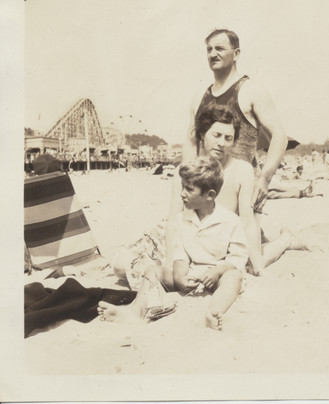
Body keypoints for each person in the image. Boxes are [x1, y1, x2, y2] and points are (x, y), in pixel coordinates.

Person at [98, 156, 248, 331]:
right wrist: (180, 277)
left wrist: (217, 271)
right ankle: (136, 311)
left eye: (189, 189)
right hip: (192, 275)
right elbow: (180, 254)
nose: (182, 193)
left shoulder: (230, 220)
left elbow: (238, 258)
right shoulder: (182, 219)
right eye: (182, 187)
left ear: (210, 195)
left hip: (219, 276)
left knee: (234, 278)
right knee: (153, 270)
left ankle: (214, 312)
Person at [166, 104, 306, 276]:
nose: (221, 143)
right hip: (187, 243)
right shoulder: (185, 170)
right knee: (126, 265)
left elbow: (247, 222)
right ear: (203, 134)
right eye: (216, 135)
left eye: (228, 138)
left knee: (253, 265)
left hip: (222, 242)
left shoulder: (241, 169)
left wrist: (259, 268)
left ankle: (286, 240)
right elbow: (173, 220)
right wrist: (169, 263)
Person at [183, 29, 288, 215]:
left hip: (241, 185)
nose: (213, 54)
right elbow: (191, 143)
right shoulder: (199, 96)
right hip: (206, 187)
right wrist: (187, 181)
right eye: (209, 49)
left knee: (242, 240)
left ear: (236, 54)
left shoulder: (252, 90)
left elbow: (279, 136)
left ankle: (284, 240)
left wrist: (264, 179)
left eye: (220, 49)